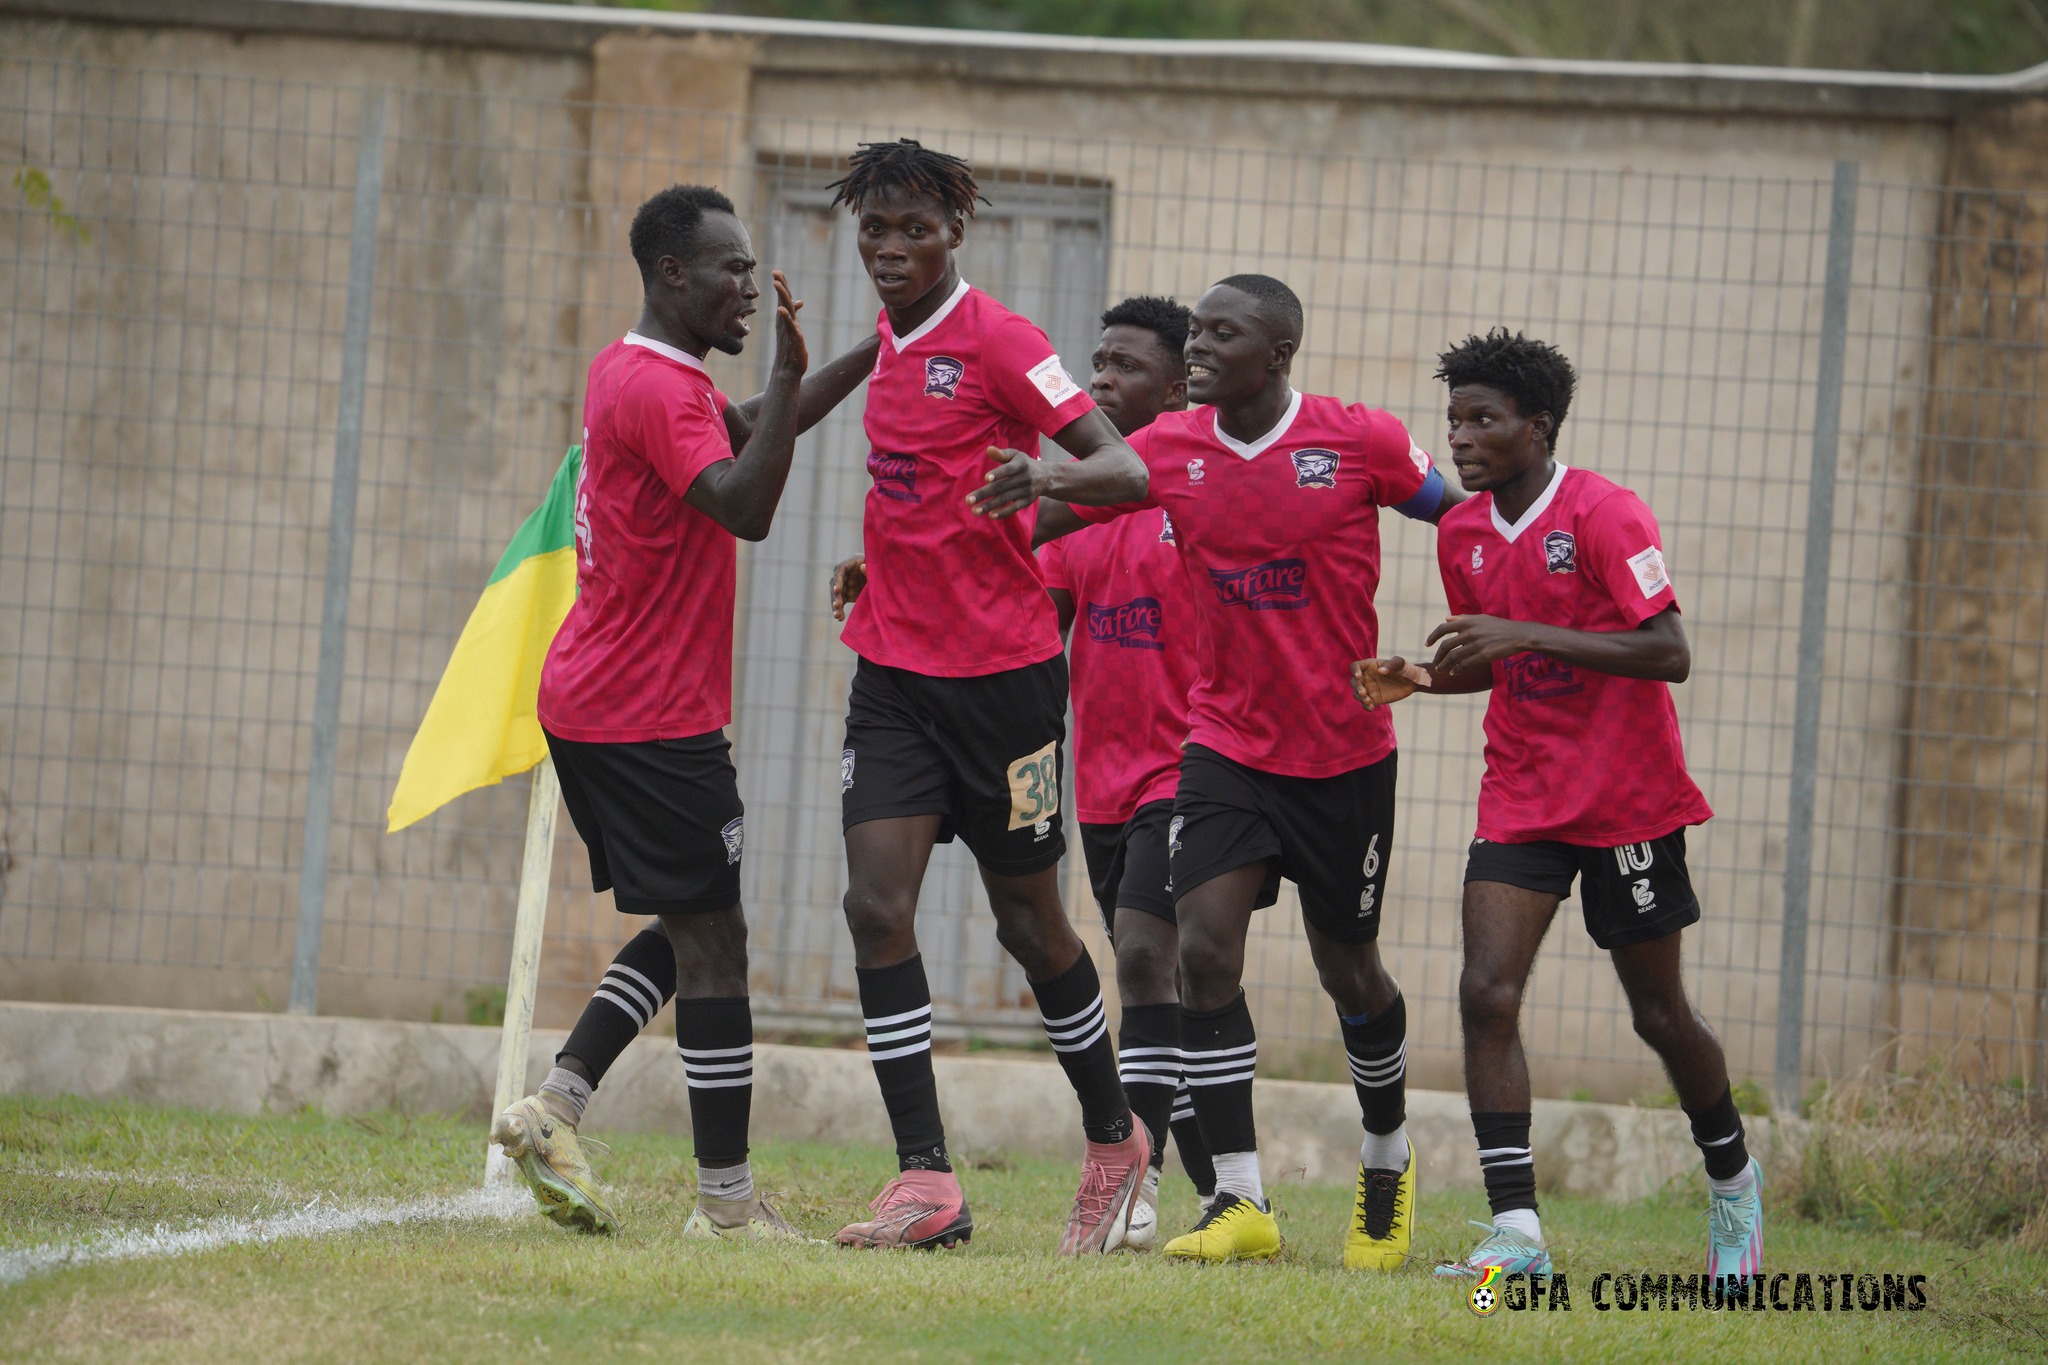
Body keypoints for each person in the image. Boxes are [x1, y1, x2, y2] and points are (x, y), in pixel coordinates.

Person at [1036, 275, 1459, 1269]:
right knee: (1202, 951)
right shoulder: (1168, 451)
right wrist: (932, 548)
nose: (1198, 349)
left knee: (1345, 967)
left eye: (1221, 334)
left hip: (1344, 754)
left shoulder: (1359, 440)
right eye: (1196, 333)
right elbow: (1043, 526)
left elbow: (1466, 518)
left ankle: (1385, 1162)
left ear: (1276, 354)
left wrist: (1482, 641)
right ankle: (1237, 1197)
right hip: (1222, 746)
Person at [490, 183, 879, 1240]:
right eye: (730, 269)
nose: (749, 287)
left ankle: (557, 1103)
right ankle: (725, 1209)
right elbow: (745, 504)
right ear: (672, 275)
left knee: (691, 917)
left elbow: (747, 426)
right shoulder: (662, 392)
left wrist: (863, 358)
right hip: (645, 718)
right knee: (715, 947)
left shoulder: (642, 372)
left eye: (751, 269)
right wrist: (796, 379)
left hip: (601, 703)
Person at [1353, 328, 1762, 1284]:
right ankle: (1519, 1234)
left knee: (1658, 1014)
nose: (1459, 436)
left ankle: (1735, 1181)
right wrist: (1420, 673)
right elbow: (1497, 663)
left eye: (1482, 419)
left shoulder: (1607, 513)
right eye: (1453, 419)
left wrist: (1522, 628)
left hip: (1627, 801)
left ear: (1537, 426)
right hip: (1522, 796)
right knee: (1485, 992)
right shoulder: (1461, 532)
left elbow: (1669, 651)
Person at [820, 139, 1153, 1255]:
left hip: (1006, 686)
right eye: (875, 230)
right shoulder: (885, 339)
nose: (891, 249)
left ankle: (1113, 1142)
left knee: (1029, 923)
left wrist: (1046, 474)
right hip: (893, 679)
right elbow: (917, 484)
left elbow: (1126, 471)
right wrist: (882, 561)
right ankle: (925, 1180)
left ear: (953, 233)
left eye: (913, 229)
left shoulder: (1002, 341)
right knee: (875, 907)